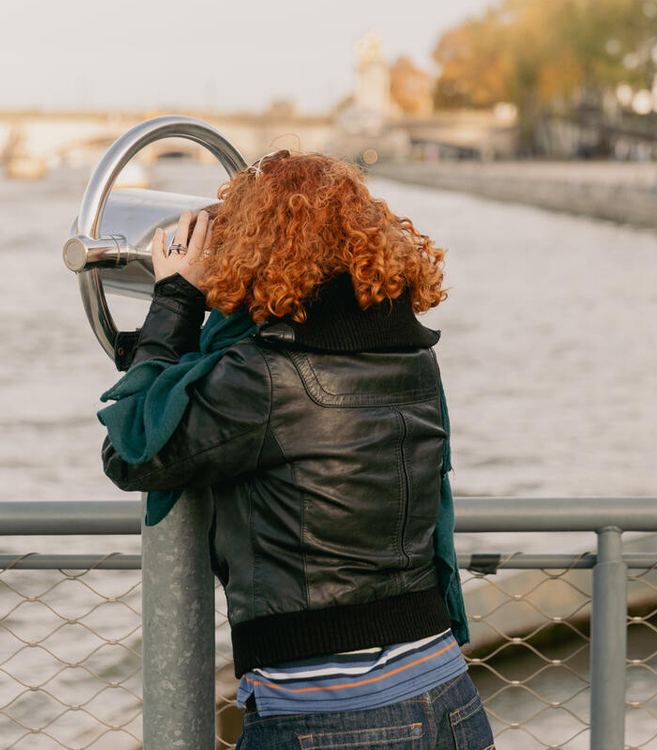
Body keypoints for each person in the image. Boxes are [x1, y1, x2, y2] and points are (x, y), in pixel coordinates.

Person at [99, 150, 494, 749]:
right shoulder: (413, 352)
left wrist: (176, 299)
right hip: (448, 692)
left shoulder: (263, 375)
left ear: (257, 246)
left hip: (331, 711)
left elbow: (131, 449)